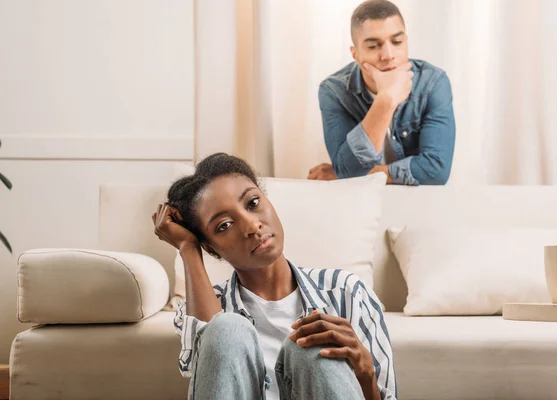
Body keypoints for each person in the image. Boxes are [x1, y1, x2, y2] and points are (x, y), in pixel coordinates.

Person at [152, 153, 397, 400]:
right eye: (224, 225)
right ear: (210, 247)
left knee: (315, 343)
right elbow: (210, 378)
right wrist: (188, 248)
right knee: (225, 328)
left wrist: (365, 374)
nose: (251, 226)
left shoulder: (347, 292)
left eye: (253, 203)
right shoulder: (201, 308)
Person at [308, 0, 456, 185]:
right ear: (355, 54)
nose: (388, 55)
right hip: (363, 202)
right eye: (373, 46)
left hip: (419, 200)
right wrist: (386, 100)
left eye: (397, 42)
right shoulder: (333, 91)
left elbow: (436, 171)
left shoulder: (433, 83)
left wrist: (363, 174)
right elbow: (349, 171)